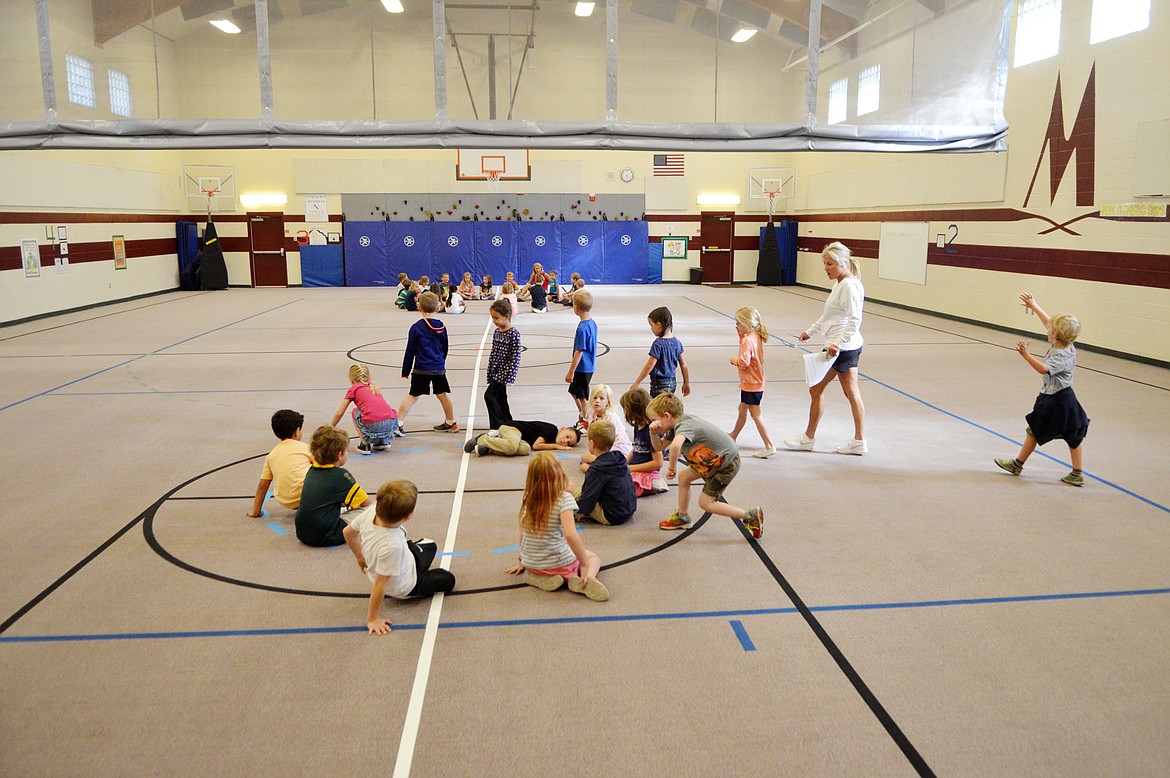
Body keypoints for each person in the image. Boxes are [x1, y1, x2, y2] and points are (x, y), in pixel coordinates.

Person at [994, 293, 1090, 486]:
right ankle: (1077, 473)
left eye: (1050, 329)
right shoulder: (1069, 346)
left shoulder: (1060, 356)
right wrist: (1034, 305)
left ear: (1054, 335)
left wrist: (1025, 354)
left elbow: (1043, 369)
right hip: (1068, 398)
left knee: (1034, 430)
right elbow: (1048, 321)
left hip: (1054, 399)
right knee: (1073, 433)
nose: (1047, 328)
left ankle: (1017, 464)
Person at [784, 241, 868, 455]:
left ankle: (808, 438)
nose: (826, 269)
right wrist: (810, 331)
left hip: (841, 349)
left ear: (841, 263)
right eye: (825, 264)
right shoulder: (840, 283)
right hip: (844, 346)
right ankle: (859, 441)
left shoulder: (849, 285)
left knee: (816, 389)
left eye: (829, 264)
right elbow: (830, 314)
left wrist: (837, 344)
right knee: (851, 393)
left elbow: (854, 319)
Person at [343, 479, 456, 635]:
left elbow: (348, 533)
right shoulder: (392, 546)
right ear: (408, 516)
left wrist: (360, 557)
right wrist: (372, 619)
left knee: (431, 545)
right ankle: (420, 578)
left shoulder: (372, 510)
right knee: (448, 579)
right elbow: (380, 585)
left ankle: (417, 558)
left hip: (404, 558)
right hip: (405, 585)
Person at [647, 392, 763, 538]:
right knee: (684, 477)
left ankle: (749, 515)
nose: (652, 423)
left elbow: (675, 446)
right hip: (712, 461)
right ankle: (682, 517)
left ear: (667, 416)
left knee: (706, 503)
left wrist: (671, 467)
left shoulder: (684, 426)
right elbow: (659, 447)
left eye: (653, 420)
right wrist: (652, 433)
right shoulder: (674, 425)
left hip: (726, 464)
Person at [504, 452, 610, 601]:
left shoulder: (529, 497)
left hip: (530, 562)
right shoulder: (563, 499)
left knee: (547, 556)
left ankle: (537, 576)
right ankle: (586, 579)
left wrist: (521, 561)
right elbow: (570, 535)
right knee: (593, 557)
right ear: (559, 473)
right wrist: (584, 565)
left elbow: (523, 532)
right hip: (558, 563)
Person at [294, 425, 372, 547]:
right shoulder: (341, 475)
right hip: (328, 535)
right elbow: (366, 503)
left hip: (302, 532)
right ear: (340, 454)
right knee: (372, 509)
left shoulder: (312, 469)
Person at [398, 291, 459, 433]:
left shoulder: (416, 327)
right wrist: (440, 362)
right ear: (438, 308)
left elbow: (410, 350)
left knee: (413, 395)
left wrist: (405, 371)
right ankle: (451, 422)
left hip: (421, 368)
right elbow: (445, 347)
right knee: (442, 394)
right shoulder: (442, 327)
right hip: (438, 367)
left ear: (419, 308)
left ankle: (398, 423)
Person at [729, 306, 776, 458]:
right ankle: (733, 435)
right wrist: (740, 336)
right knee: (742, 409)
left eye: (738, 323)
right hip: (756, 382)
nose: (736, 326)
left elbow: (744, 361)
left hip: (751, 383)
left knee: (756, 414)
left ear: (747, 324)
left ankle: (769, 445)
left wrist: (734, 360)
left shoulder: (748, 341)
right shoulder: (755, 337)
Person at [247, 409, 312, 518]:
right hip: (307, 496)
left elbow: (263, 485)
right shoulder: (306, 448)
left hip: (286, 501)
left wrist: (255, 511)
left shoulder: (271, 455)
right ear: (296, 432)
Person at [573, 419, 637, 525]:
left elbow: (586, 505)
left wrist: (570, 509)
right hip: (628, 509)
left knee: (568, 488)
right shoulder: (619, 457)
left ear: (592, 443)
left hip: (611, 516)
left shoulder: (596, 469)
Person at [331, 363, 399, 454]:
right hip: (391, 421)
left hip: (374, 423)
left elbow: (340, 412)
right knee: (379, 411)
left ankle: (364, 444)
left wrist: (331, 427)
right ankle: (383, 441)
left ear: (352, 380)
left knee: (355, 412)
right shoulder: (373, 386)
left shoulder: (354, 389)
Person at [629, 306, 690, 398]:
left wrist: (637, 382)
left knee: (656, 408)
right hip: (672, 383)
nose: (651, 329)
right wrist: (686, 383)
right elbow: (684, 365)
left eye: (651, 326)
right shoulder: (677, 343)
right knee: (666, 405)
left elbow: (650, 364)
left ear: (658, 324)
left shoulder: (658, 344)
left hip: (659, 384)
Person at [621, 388, 668, 496]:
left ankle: (653, 482)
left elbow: (658, 463)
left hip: (647, 471)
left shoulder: (650, 432)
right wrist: (624, 463)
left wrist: (631, 468)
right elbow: (636, 449)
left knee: (625, 486)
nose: (624, 412)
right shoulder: (638, 426)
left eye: (625, 408)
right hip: (635, 467)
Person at [484, 298, 521, 430]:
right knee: (500, 398)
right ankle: (508, 421)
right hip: (496, 370)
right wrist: (491, 371)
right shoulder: (497, 332)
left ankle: (497, 425)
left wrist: (509, 374)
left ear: (507, 316)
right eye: (492, 318)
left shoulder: (513, 333)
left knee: (489, 396)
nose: (494, 321)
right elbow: (494, 353)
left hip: (504, 373)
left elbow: (515, 356)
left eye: (496, 318)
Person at [580, 383, 632, 471]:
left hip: (617, 449)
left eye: (601, 398)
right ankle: (601, 466)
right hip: (603, 449)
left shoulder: (610, 417)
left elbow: (609, 441)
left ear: (608, 402)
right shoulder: (592, 414)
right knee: (584, 457)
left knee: (586, 462)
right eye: (595, 397)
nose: (597, 401)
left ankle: (604, 467)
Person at [464, 419, 580, 456]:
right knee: (511, 448)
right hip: (512, 428)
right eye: (567, 436)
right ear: (563, 429)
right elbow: (537, 446)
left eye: (569, 443)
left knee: (525, 450)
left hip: (521, 440)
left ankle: (488, 448)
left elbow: (531, 447)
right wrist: (557, 446)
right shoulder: (552, 430)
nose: (565, 441)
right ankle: (482, 438)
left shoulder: (552, 438)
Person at [565, 290, 597, 420]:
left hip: (582, 368)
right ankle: (582, 414)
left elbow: (579, 352)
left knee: (582, 397)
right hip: (587, 366)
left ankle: (587, 420)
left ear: (576, 308)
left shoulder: (583, 328)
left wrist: (571, 372)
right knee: (574, 392)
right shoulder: (592, 323)